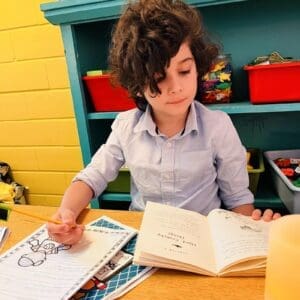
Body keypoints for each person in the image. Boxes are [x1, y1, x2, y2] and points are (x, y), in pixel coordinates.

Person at [47, 0, 280, 245]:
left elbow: (237, 199)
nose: (176, 87)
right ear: (137, 82)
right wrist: (67, 214)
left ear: (198, 68)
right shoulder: (126, 126)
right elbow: (92, 177)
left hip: (203, 241)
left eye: (184, 71)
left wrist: (251, 231)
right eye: (159, 77)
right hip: (145, 238)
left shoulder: (218, 126)